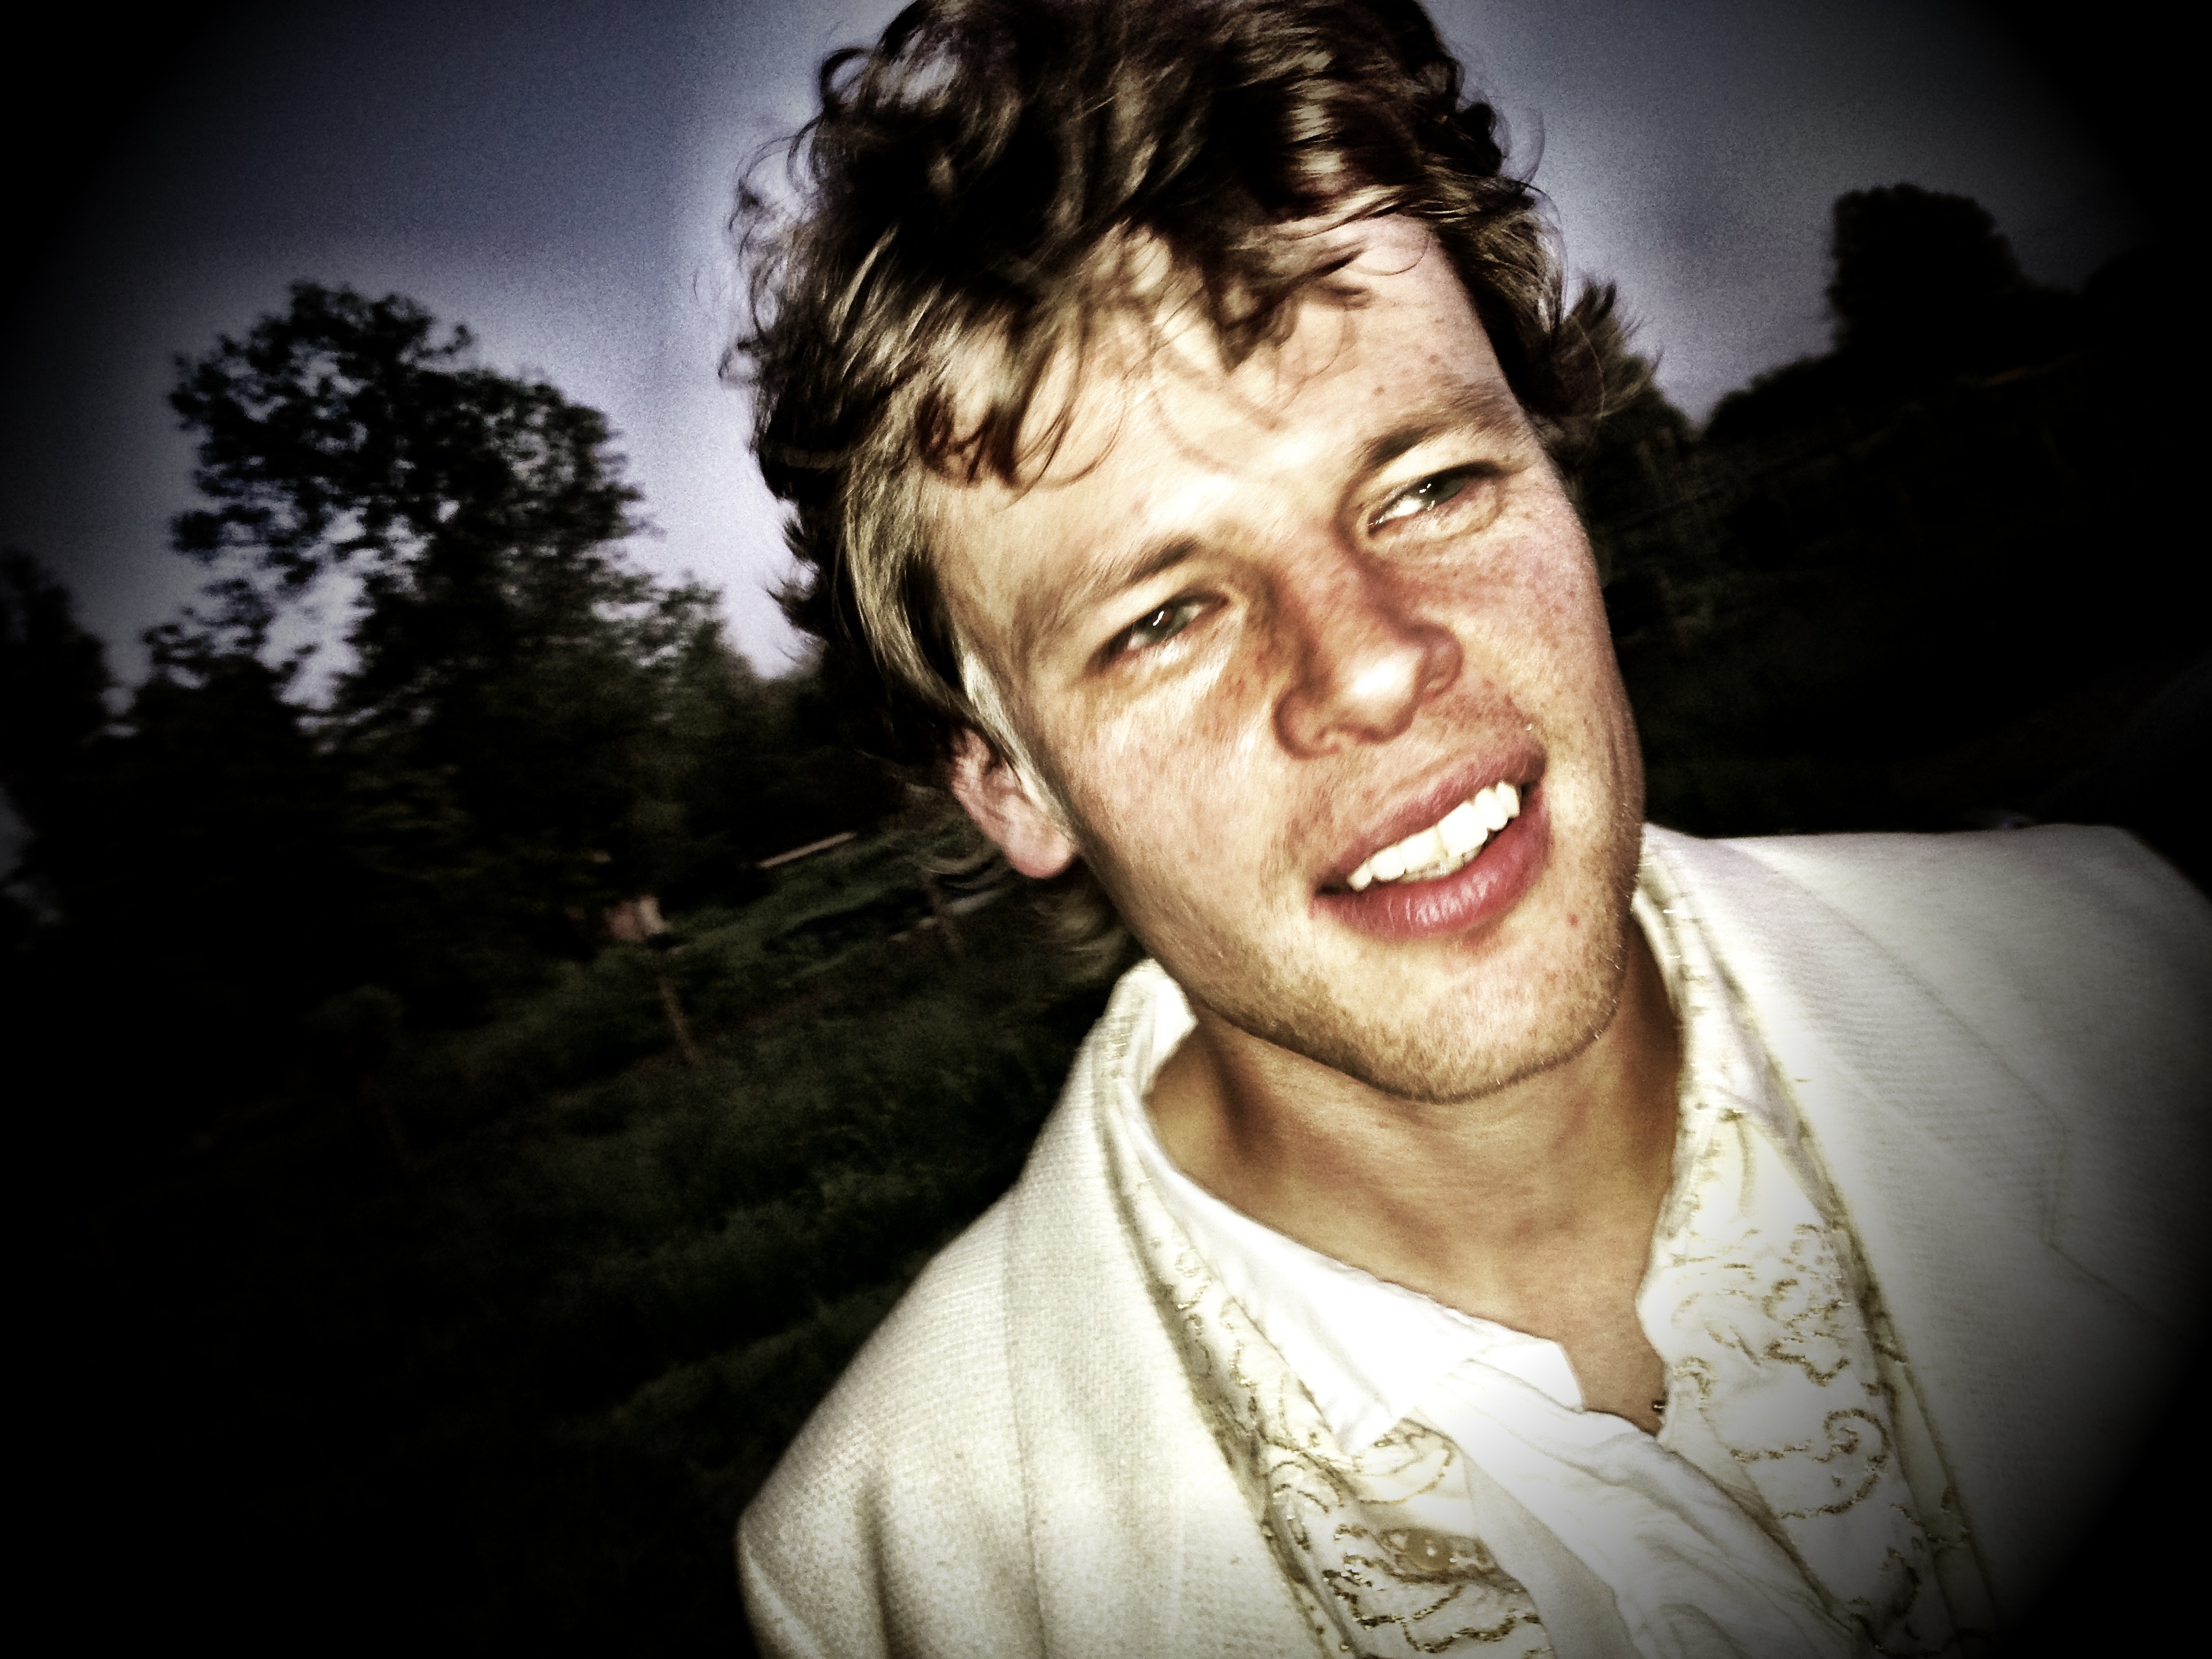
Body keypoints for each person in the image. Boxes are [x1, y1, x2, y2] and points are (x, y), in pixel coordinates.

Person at [729, 1, 2211, 1653]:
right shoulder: (893, 1583)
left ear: (1558, 477)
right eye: (1163, 617)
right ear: (1009, 782)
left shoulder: (2136, 977)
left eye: (1430, 484)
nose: (1370, 663)